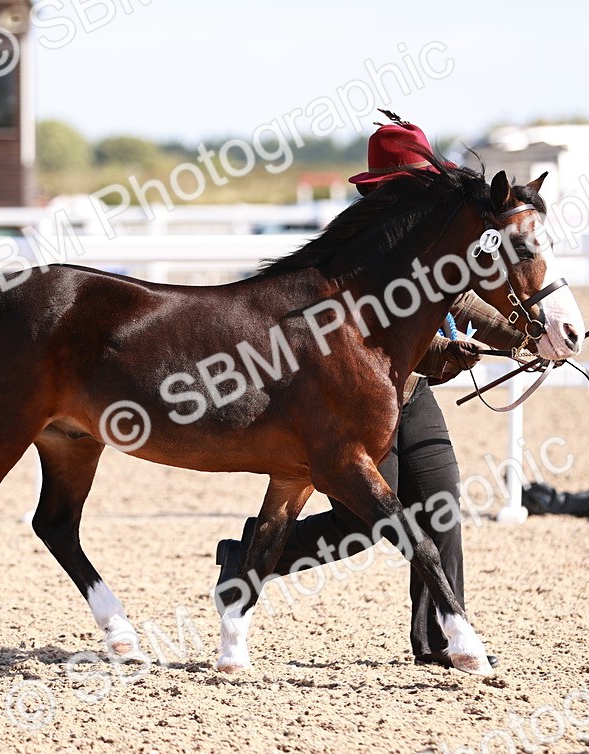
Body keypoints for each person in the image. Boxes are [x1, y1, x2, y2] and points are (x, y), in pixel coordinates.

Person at [214, 114, 523, 668]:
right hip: (351, 399)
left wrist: (523, 332)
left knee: (442, 503)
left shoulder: (429, 238)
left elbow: (455, 301)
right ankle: (248, 559)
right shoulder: (365, 243)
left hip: (410, 395)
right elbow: (371, 332)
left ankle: (438, 640)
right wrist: (443, 354)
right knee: (368, 524)